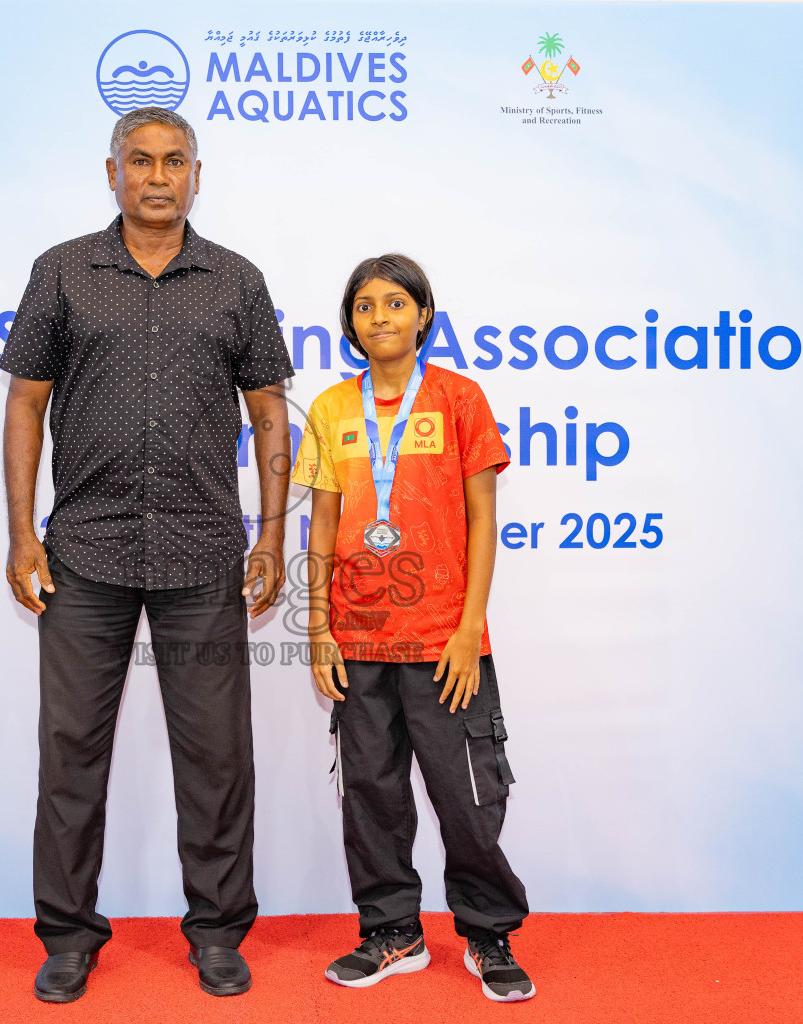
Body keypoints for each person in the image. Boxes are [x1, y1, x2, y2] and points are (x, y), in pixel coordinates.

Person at [0, 106, 294, 1003]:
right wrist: (21, 534)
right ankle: (67, 936)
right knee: (71, 754)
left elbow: (271, 414)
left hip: (204, 554)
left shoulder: (235, 280)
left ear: (197, 174)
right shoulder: (62, 272)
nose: (158, 176)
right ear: (112, 171)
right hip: (84, 554)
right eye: (141, 161)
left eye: (175, 162)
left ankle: (215, 931)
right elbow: (24, 407)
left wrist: (273, 532)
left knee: (215, 758)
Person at [290, 254, 534, 1002]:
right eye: (365, 306)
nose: (381, 317)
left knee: (465, 793)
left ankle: (487, 932)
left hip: (444, 641)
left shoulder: (460, 399)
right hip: (360, 641)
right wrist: (319, 630)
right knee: (371, 793)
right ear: (351, 322)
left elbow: (484, 518)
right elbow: (322, 524)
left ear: (424, 314)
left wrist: (469, 631)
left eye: (397, 303)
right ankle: (392, 931)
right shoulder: (333, 408)